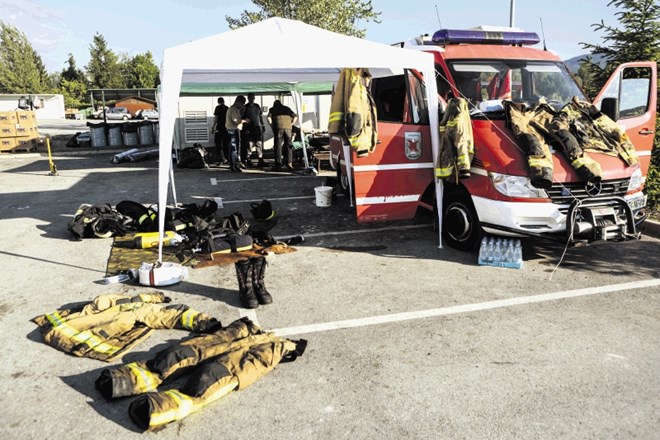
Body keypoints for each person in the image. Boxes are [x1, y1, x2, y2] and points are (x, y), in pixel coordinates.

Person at [267, 100, 297, 171]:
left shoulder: (272, 109)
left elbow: (268, 117)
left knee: (278, 146)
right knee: (289, 146)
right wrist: (292, 124)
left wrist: (272, 125)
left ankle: (278, 165)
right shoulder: (287, 108)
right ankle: (289, 164)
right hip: (288, 129)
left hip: (278, 128)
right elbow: (295, 116)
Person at [242, 93, 266, 167]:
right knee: (249, 144)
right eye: (249, 97)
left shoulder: (257, 106)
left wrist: (263, 125)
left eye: (252, 97)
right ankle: (248, 160)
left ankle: (260, 159)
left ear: (254, 98)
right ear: (248, 98)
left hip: (257, 127)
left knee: (259, 144)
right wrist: (245, 128)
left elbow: (260, 116)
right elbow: (242, 118)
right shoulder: (245, 107)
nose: (251, 99)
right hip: (249, 128)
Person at [225, 95, 247, 172]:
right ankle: (234, 165)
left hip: (230, 130)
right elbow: (236, 121)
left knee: (232, 148)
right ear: (238, 102)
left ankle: (232, 164)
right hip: (233, 130)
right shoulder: (234, 109)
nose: (243, 105)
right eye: (242, 104)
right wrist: (244, 121)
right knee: (234, 148)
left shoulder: (232, 109)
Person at [212, 97, 229, 164]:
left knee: (218, 144)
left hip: (219, 128)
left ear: (218, 102)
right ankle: (227, 158)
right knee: (226, 144)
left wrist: (213, 127)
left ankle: (222, 158)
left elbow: (216, 118)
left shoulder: (217, 108)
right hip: (226, 128)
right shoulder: (227, 108)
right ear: (224, 101)